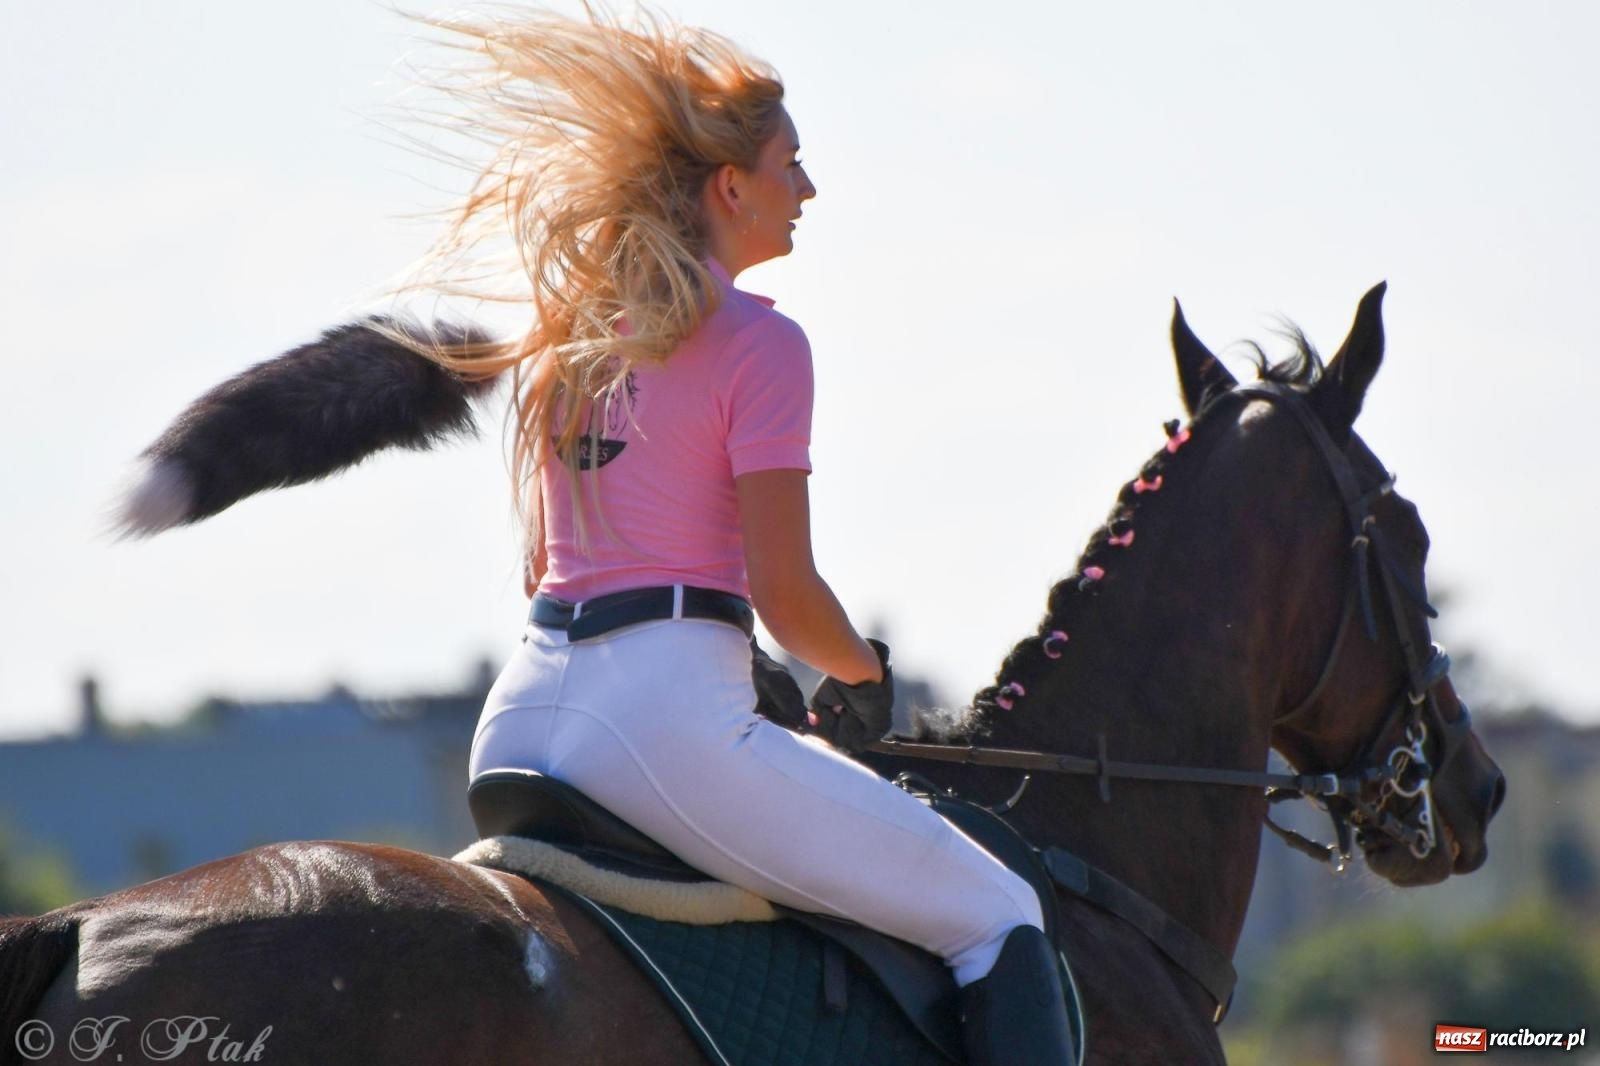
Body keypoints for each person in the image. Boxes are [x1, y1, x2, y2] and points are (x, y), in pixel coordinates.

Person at [395, 6, 1075, 1061]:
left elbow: (551, 563)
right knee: (998, 914)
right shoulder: (764, 344)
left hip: (520, 719)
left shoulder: (568, 344)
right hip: (662, 722)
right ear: (730, 187)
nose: (807, 190)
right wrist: (860, 672)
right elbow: (786, 593)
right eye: (791, 165)